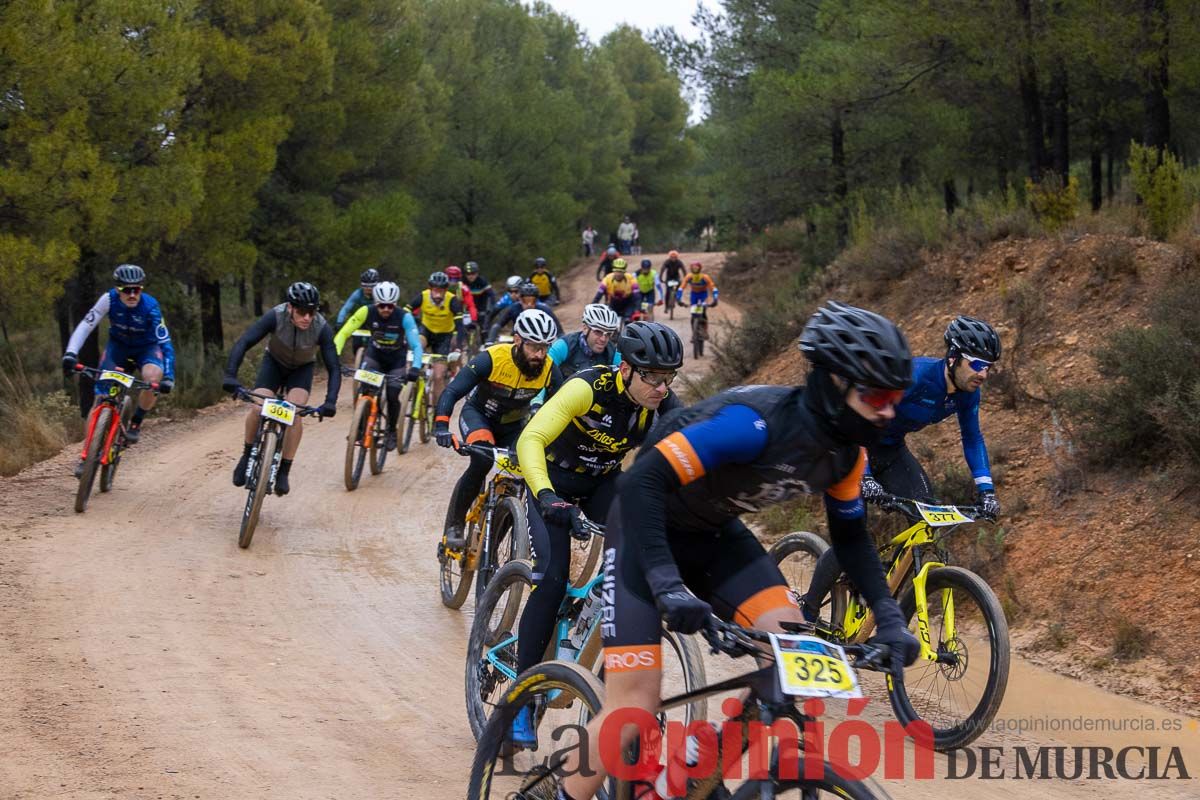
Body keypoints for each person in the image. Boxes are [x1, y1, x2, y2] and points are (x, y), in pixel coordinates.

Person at [552, 301, 921, 800]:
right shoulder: (754, 425)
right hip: (645, 532)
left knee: (793, 657)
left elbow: (851, 538)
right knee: (634, 707)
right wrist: (667, 582)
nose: (889, 411)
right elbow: (642, 483)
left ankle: (687, 778)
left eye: (897, 396)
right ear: (835, 385)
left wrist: (889, 618)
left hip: (716, 537)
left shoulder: (846, 456)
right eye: (877, 395)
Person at [510, 322, 684, 748]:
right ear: (624, 368)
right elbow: (530, 438)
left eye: (669, 378)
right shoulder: (587, 387)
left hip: (601, 483)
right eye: (653, 377)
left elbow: (688, 456)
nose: (662, 388)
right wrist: (548, 496)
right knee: (551, 583)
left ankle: (623, 697)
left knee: (634, 577)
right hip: (549, 480)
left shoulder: (662, 405)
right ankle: (519, 700)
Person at [800, 315, 1003, 617]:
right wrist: (865, 476)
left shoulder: (967, 394)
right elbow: (862, 419)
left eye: (988, 366)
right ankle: (808, 608)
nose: (983, 373)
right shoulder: (914, 377)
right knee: (852, 537)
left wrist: (986, 491)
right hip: (852, 446)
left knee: (927, 519)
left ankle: (879, 589)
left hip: (892, 452)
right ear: (953, 358)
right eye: (976, 364)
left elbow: (972, 438)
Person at [434, 309, 564, 548]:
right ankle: (455, 524)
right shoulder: (492, 358)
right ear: (517, 340)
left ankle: (492, 547)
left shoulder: (549, 369)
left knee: (518, 475)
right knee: (481, 461)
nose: (540, 354)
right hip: (479, 417)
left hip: (515, 426)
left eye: (545, 347)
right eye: (534, 346)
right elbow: (453, 391)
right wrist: (441, 425)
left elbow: (561, 411)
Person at [222, 282, 340, 496]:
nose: (307, 317)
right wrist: (230, 375)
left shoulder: (321, 327)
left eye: (311, 312)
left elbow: (334, 367)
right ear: (290, 308)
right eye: (302, 311)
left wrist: (330, 400)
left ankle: (284, 470)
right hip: (274, 364)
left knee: (294, 415)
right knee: (258, 409)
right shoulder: (275, 316)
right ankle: (247, 454)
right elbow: (244, 342)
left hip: (302, 369)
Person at [62, 264, 176, 455]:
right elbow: (86, 325)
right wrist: (70, 353)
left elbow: (165, 344)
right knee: (100, 398)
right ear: (117, 289)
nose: (132, 295)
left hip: (147, 348)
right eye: (126, 290)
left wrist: (169, 377)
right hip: (118, 347)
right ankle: (87, 454)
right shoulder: (108, 299)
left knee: (152, 377)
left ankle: (136, 421)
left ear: (141, 289)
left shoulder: (151, 307)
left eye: (136, 289)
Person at [331, 281, 423, 452]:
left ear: (395, 304)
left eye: (389, 306)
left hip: (396, 359)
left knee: (392, 393)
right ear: (375, 303)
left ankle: (391, 431)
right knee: (366, 387)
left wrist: (416, 367)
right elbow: (344, 333)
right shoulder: (366, 311)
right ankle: (360, 426)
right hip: (375, 356)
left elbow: (416, 345)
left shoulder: (405, 317)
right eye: (382, 306)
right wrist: (334, 356)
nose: (386, 309)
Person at [405, 271, 466, 410]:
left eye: (442, 290)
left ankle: (438, 411)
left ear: (446, 290)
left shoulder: (452, 301)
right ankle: (411, 381)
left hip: (444, 338)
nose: (438, 294)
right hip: (426, 331)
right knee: (417, 346)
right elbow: (405, 311)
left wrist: (458, 348)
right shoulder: (423, 296)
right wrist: (410, 325)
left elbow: (460, 327)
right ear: (430, 288)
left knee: (438, 377)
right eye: (435, 290)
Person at [547, 303, 622, 380]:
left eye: (608, 334)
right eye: (598, 332)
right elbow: (545, 371)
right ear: (585, 328)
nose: (603, 339)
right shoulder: (564, 345)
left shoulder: (613, 353)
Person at [486, 282, 563, 344]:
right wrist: (490, 341)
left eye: (532, 301)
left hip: (540, 342)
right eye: (526, 301)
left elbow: (559, 331)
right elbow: (498, 324)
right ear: (520, 299)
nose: (529, 304)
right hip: (517, 341)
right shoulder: (513, 308)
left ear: (536, 300)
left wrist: (562, 344)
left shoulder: (544, 309)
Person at [336, 269, 382, 362]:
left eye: (372, 286)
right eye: (365, 286)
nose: (368, 289)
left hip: (376, 320)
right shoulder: (357, 293)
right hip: (361, 319)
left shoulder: (380, 293)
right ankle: (359, 359)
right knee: (356, 344)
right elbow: (346, 308)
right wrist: (339, 321)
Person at [592, 258, 638, 323]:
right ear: (613, 271)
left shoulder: (631, 278)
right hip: (613, 302)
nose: (618, 274)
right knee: (609, 322)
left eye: (621, 271)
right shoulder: (607, 278)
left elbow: (637, 295)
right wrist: (593, 305)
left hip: (628, 303)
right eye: (616, 271)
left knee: (628, 320)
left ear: (624, 271)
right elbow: (599, 294)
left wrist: (638, 307)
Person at [445, 265, 479, 330]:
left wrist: (473, 320)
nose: (453, 282)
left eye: (455, 279)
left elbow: (471, 306)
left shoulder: (463, 289)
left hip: (460, 315)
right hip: (443, 314)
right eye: (450, 279)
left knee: (468, 328)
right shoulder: (440, 287)